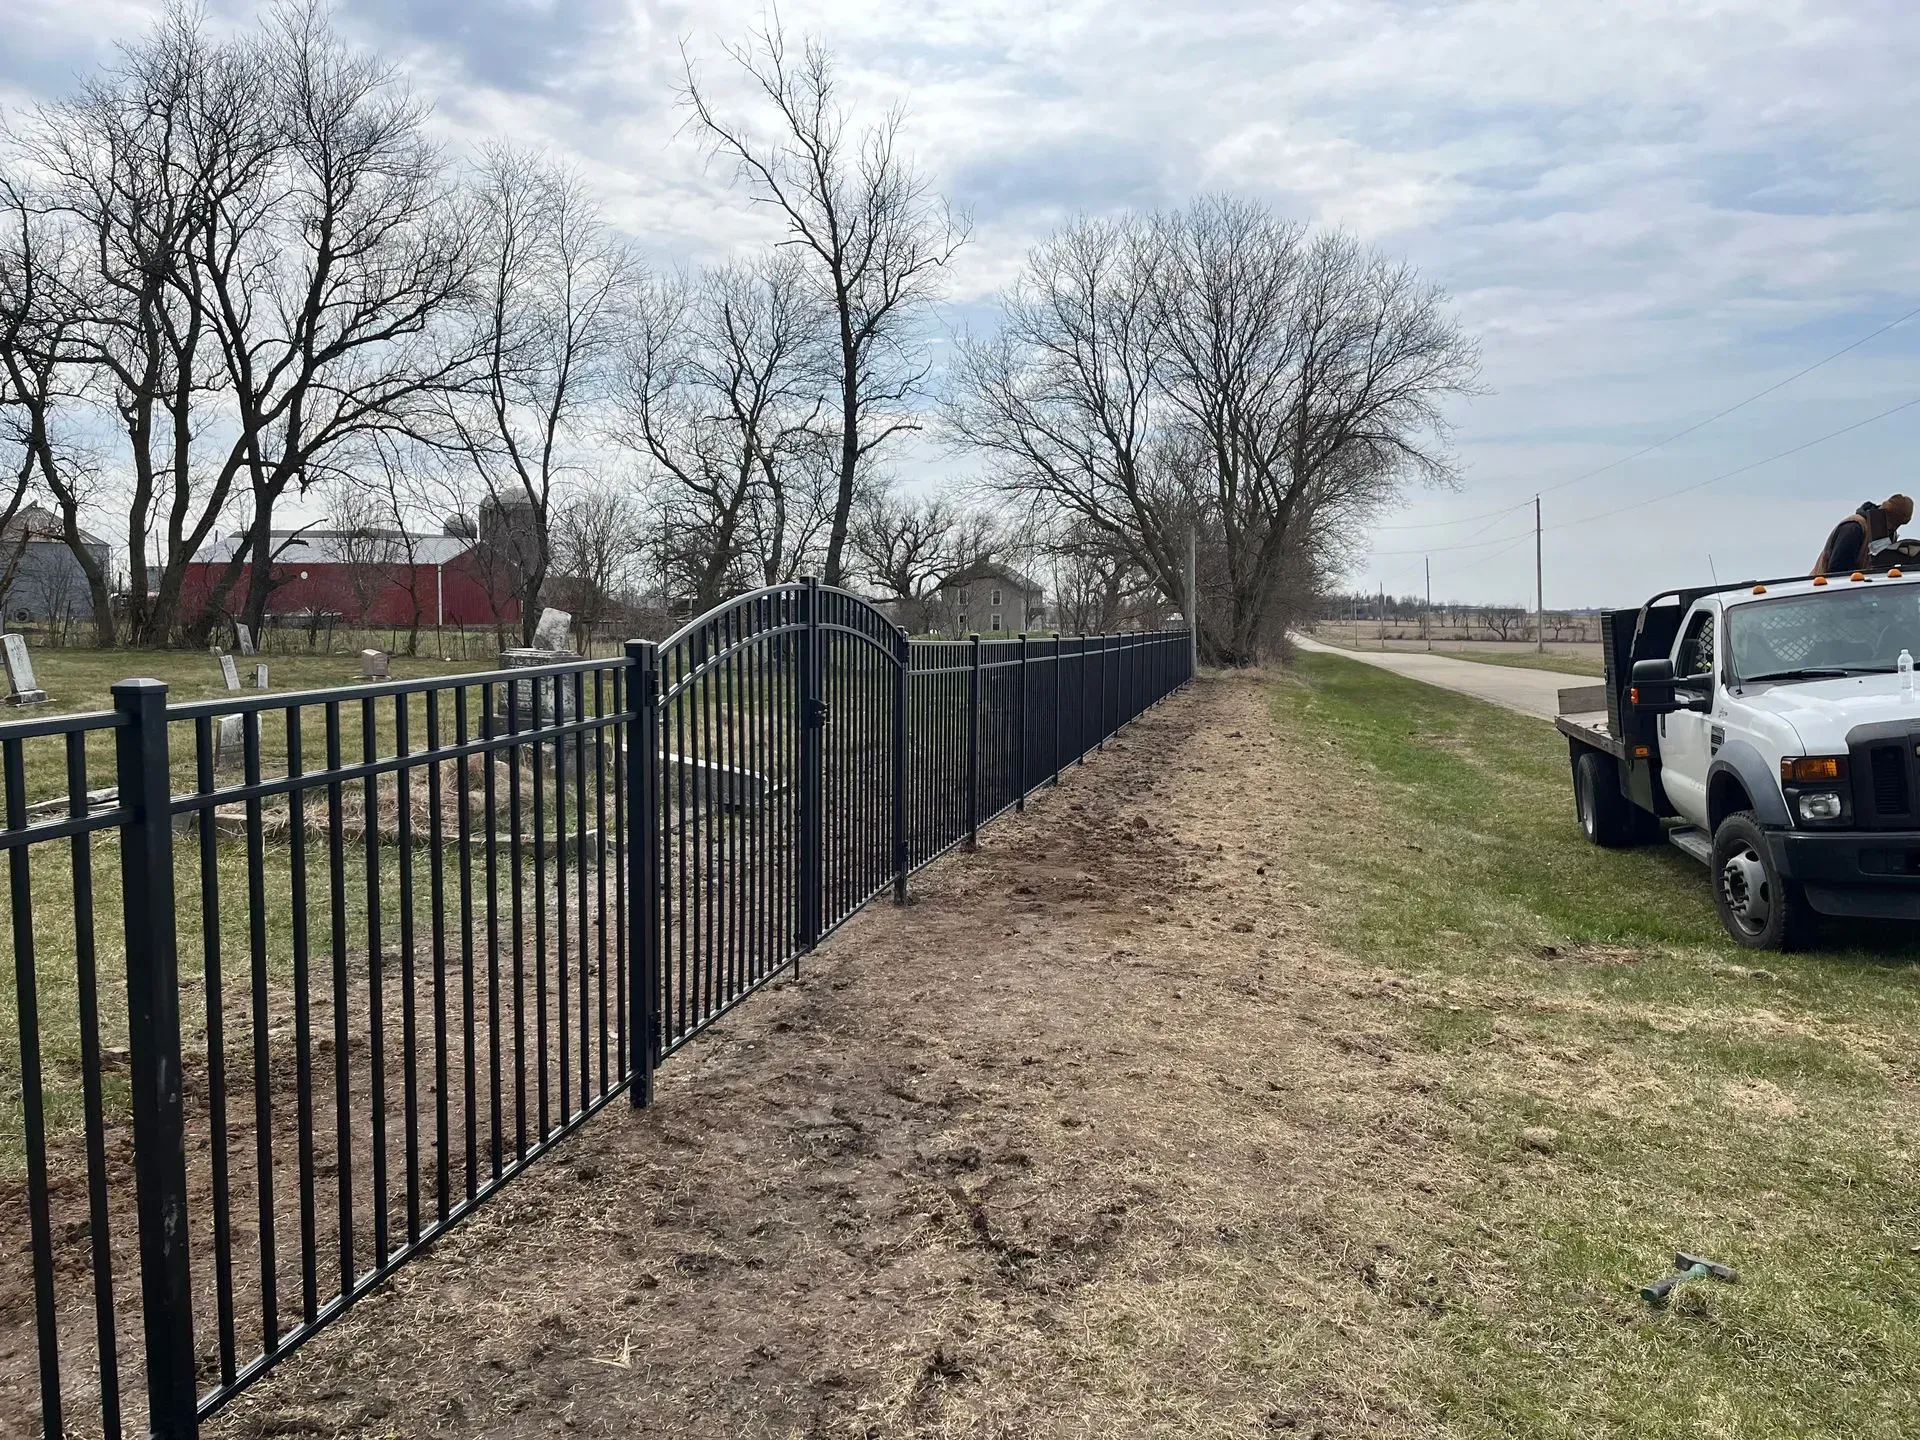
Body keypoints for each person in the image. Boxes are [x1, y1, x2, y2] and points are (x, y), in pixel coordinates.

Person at [1812, 494, 1914, 576]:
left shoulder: (1887, 533)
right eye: (1894, 524)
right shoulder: (1854, 528)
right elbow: (1837, 572)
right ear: (1886, 516)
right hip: (1827, 595)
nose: (1894, 528)